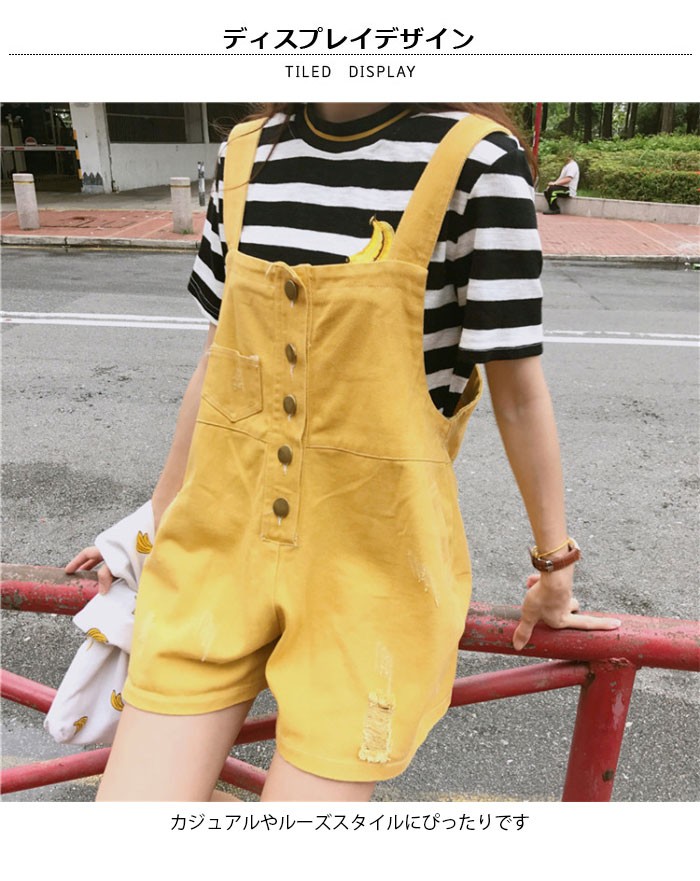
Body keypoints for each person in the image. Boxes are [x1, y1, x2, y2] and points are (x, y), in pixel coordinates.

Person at [65, 103, 620, 802]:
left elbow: (518, 394)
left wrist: (554, 564)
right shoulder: (246, 155)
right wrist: (148, 527)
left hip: (372, 581)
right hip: (213, 561)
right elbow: (217, 365)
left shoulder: (478, 162)